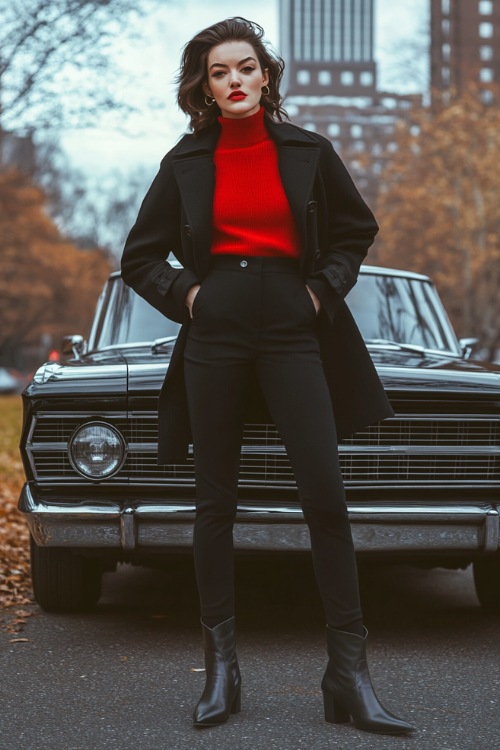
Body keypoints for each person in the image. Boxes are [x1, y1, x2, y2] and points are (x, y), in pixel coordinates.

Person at [121, 17, 414, 736]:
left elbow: (355, 230)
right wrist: (191, 296)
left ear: (266, 76)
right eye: (220, 73)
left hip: (293, 328)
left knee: (325, 495)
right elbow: (141, 256)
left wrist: (318, 291)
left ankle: (348, 674)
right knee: (214, 502)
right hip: (215, 332)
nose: (235, 81)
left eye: (245, 67)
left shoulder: (309, 152)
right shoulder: (185, 162)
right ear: (206, 88)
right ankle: (222, 672)